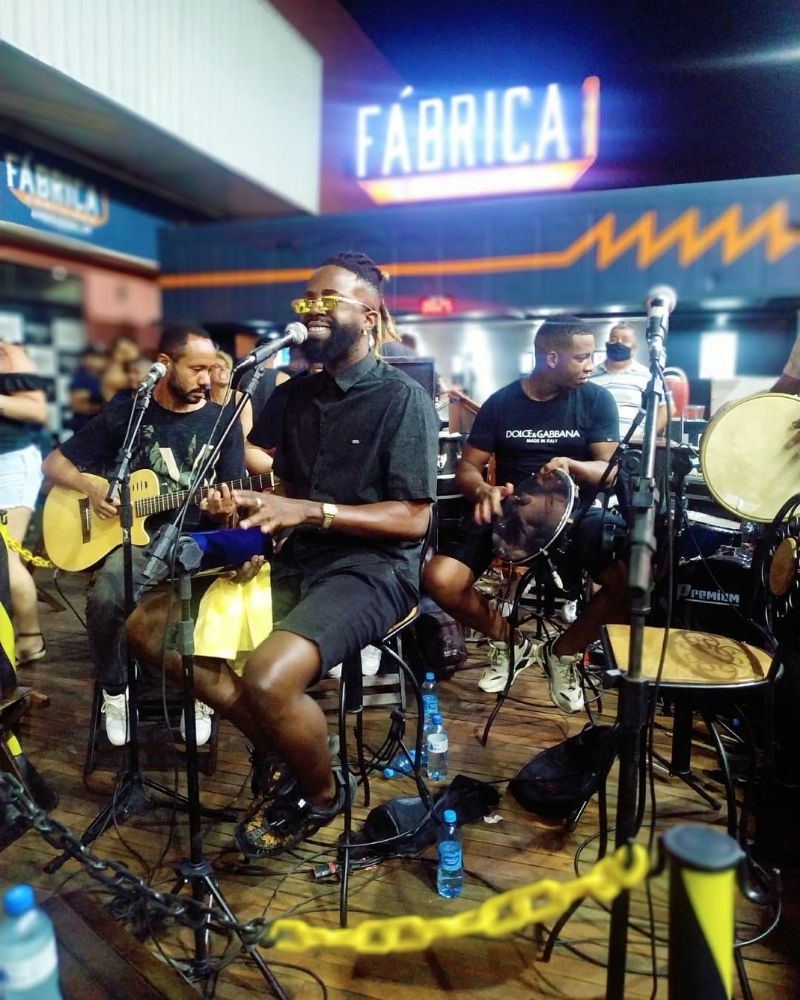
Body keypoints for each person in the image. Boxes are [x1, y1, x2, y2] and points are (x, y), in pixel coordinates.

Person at [127, 250, 439, 858]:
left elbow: (414, 518)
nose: (311, 311)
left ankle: (321, 794)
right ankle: (283, 744)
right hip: (295, 553)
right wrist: (248, 508)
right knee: (149, 627)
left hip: (371, 568)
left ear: (369, 317)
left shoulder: (403, 399)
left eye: (327, 301)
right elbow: (286, 490)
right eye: (306, 302)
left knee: (268, 676)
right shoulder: (294, 395)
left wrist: (312, 511)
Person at [42, 322, 245, 746]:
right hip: (137, 538)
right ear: (165, 364)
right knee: (107, 594)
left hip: (200, 536)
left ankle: (201, 692)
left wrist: (226, 511)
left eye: (212, 369)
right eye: (196, 369)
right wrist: (89, 485)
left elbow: (235, 499)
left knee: (221, 583)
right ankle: (115, 690)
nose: (207, 380)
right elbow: (55, 464)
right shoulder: (129, 411)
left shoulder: (223, 422)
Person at [423, 315, 629, 711]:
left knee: (628, 580)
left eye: (591, 357)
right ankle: (510, 642)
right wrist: (483, 489)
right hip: (510, 513)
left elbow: (609, 471)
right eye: (582, 358)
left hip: (575, 515)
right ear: (551, 358)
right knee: (441, 579)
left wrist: (572, 465)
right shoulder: (502, 403)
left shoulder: (595, 400)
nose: (590, 365)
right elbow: (468, 467)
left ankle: (562, 652)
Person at [0, 341, 50, 666]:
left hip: (11, 462)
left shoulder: (8, 354)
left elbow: (37, 411)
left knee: (6, 557)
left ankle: (30, 638)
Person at [589, 322, 669, 438]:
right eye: (613, 339)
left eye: (625, 340)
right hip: (595, 444)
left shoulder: (646, 376)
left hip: (631, 445)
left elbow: (665, 408)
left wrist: (646, 436)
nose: (618, 343)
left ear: (634, 348)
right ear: (607, 343)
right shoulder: (590, 375)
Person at [209, 349, 272, 476]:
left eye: (226, 366)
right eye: (217, 366)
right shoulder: (202, 399)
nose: (223, 369)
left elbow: (244, 443)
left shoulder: (240, 399)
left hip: (234, 460)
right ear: (208, 372)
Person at [67, 345, 106, 434]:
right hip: (84, 427)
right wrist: (104, 407)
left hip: (102, 429)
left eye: (99, 357)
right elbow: (76, 406)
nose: (95, 361)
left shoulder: (106, 376)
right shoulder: (80, 377)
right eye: (91, 357)